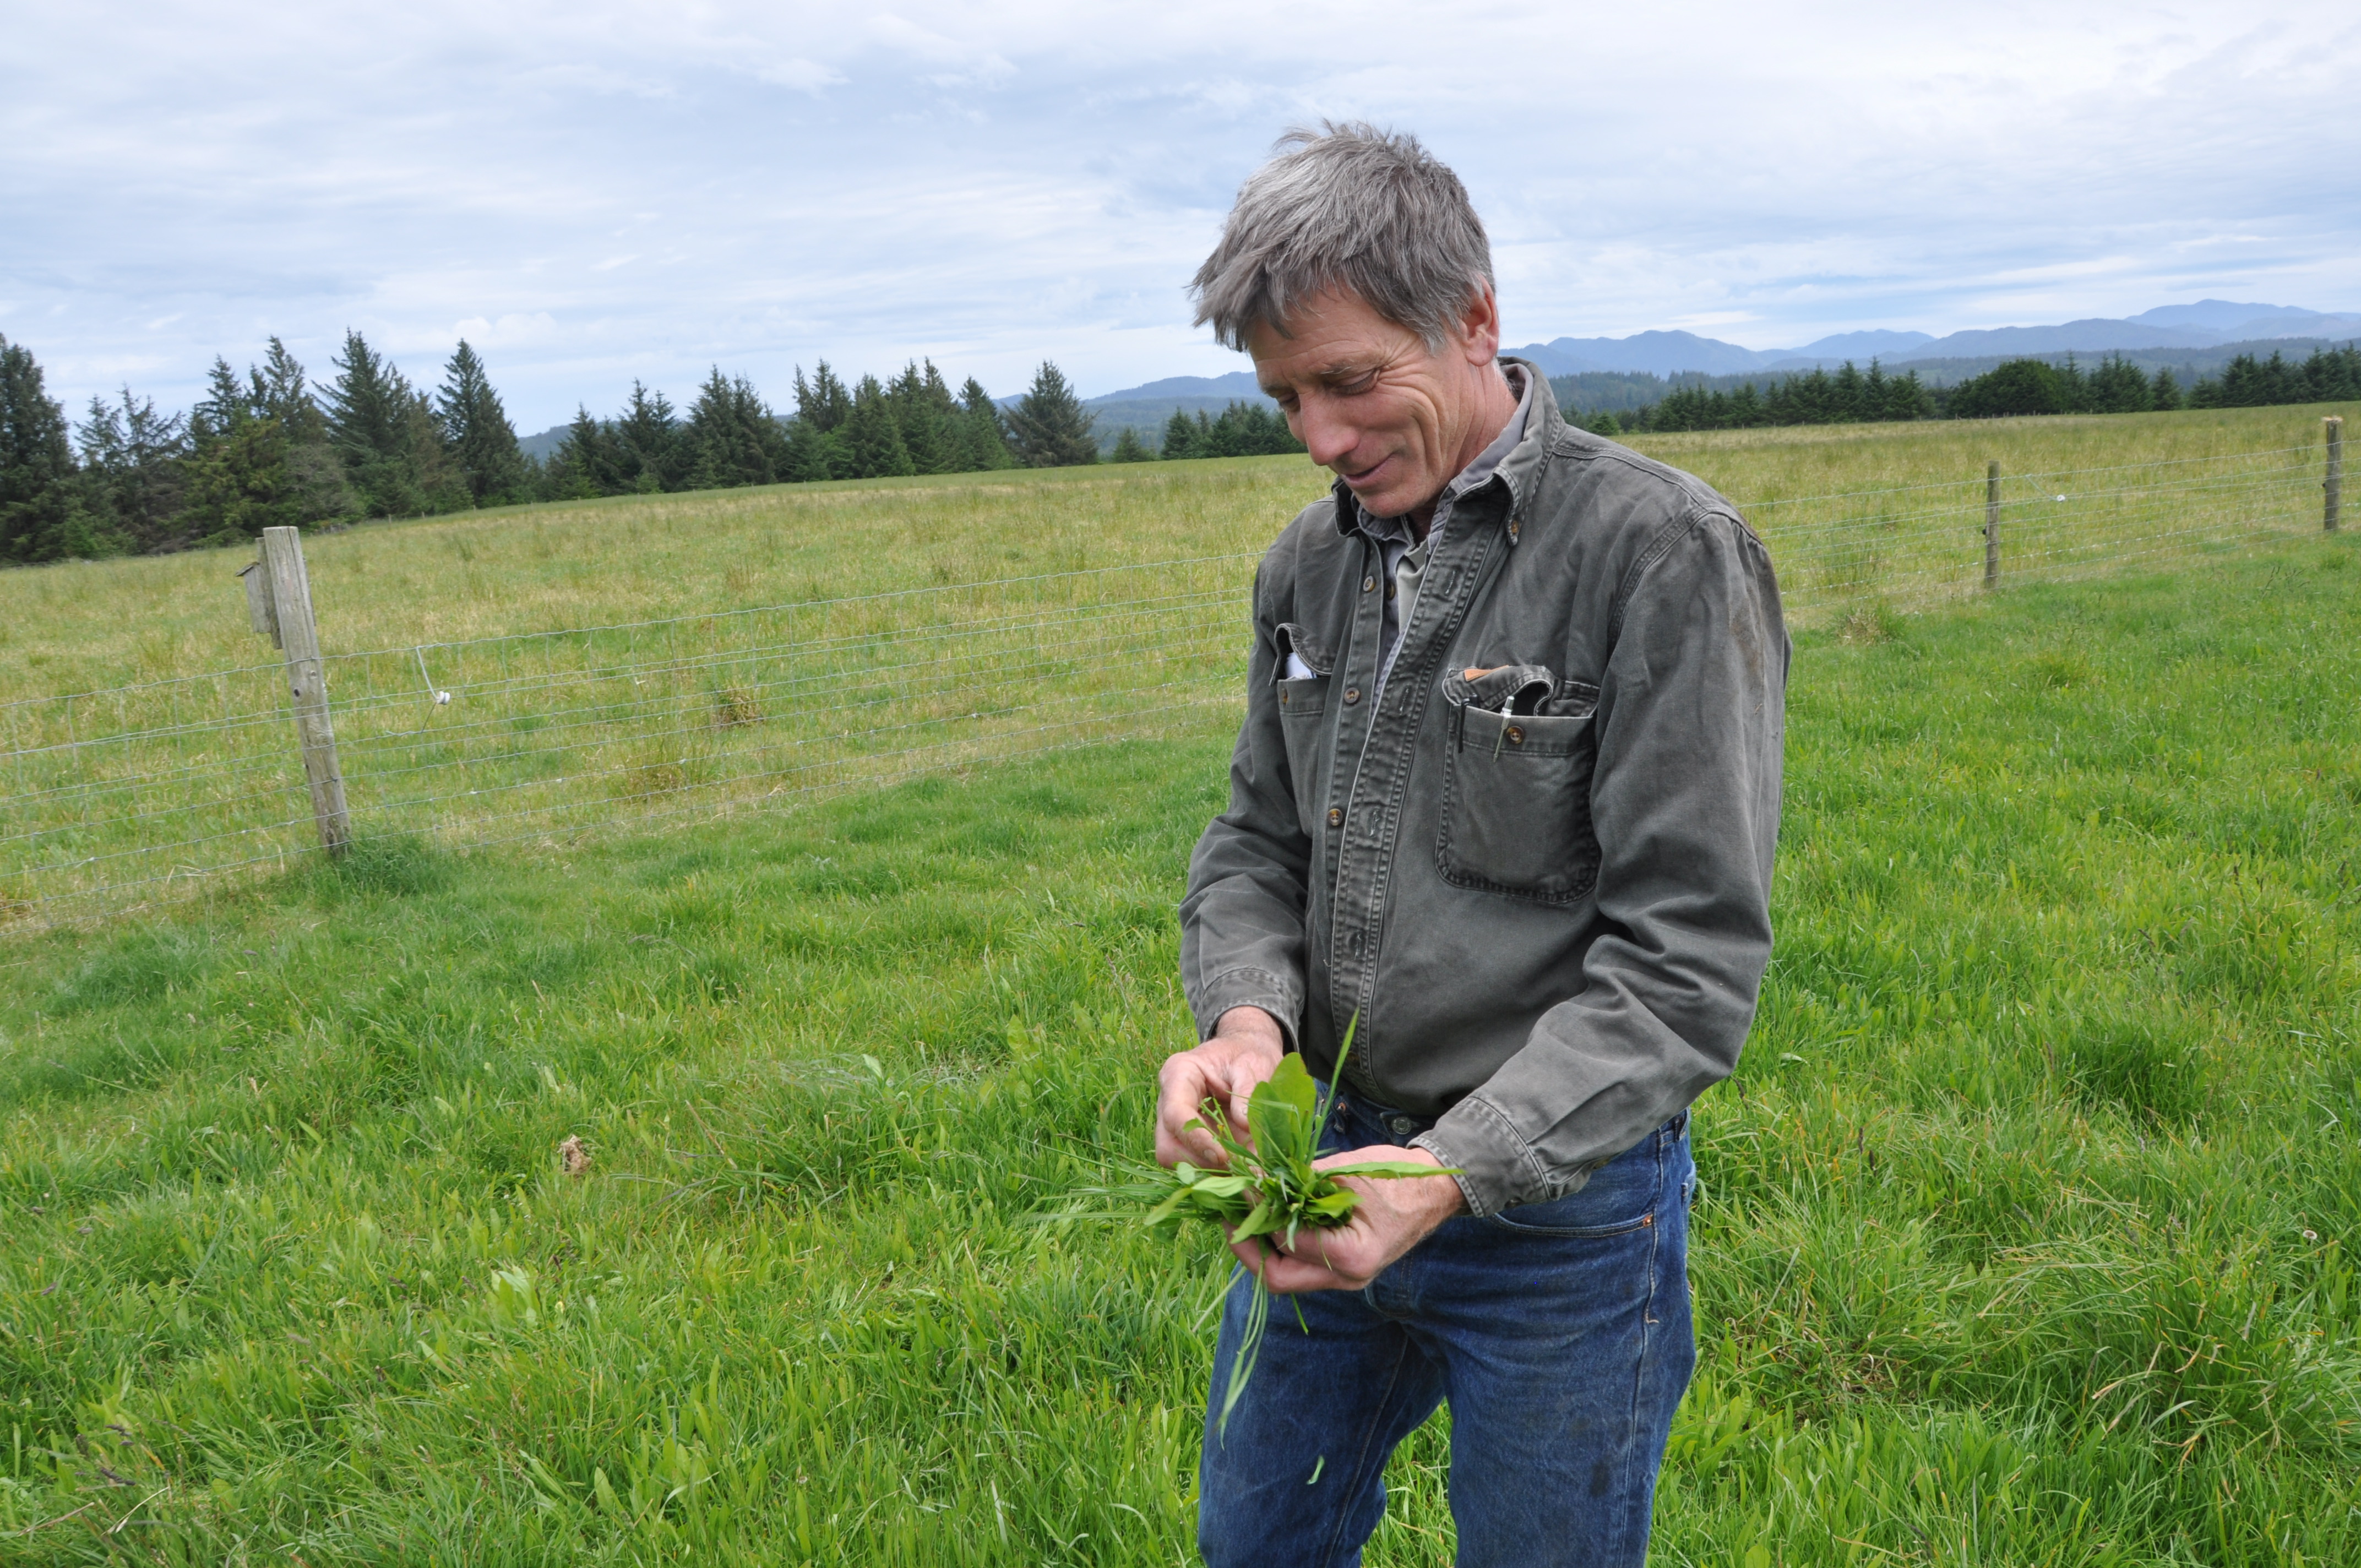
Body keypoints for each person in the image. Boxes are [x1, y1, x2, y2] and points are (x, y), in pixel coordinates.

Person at [1160, 123, 1788, 1567]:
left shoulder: (1660, 556)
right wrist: (1247, 1025)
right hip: (1329, 1171)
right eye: (1285, 399)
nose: (1321, 437)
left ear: (1477, 322)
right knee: (1256, 1544)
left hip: (1567, 1218)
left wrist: (1450, 1173)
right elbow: (1255, 838)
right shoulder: (1306, 567)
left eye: (1350, 380)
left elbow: (1684, 966)